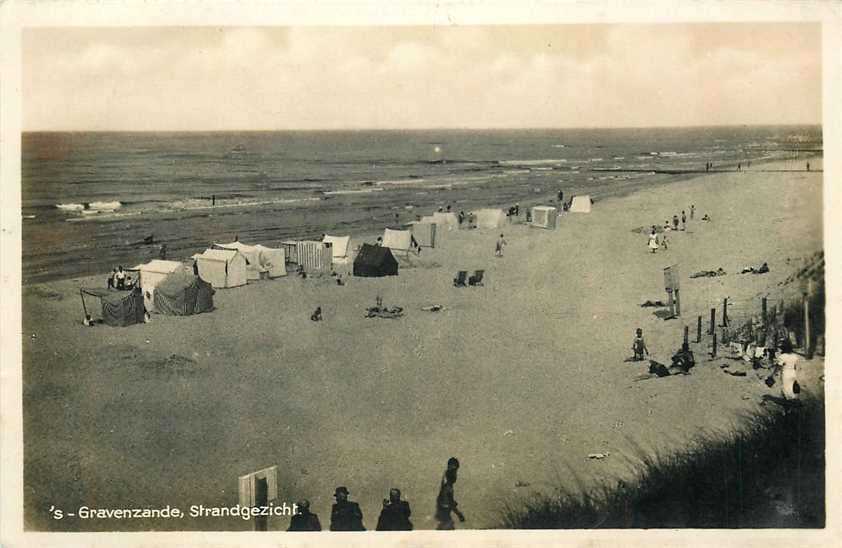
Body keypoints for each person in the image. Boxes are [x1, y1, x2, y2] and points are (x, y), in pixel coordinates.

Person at [435, 457, 465, 530]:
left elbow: (444, 500)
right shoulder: (448, 487)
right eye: (454, 472)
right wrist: (459, 514)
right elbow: (450, 503)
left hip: (443, 517)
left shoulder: (446, 484)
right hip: (445, 519)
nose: (456, 475)